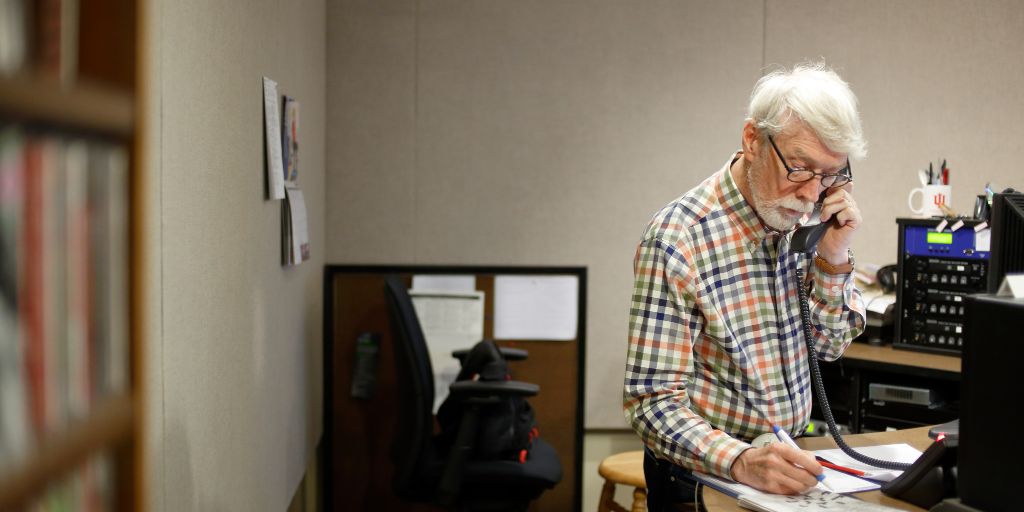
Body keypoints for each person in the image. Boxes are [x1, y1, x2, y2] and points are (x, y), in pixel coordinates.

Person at [622, 62, 867, 510]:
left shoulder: (807, 223)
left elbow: (828, 347)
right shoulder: (679, 239)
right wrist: (743, 460)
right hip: (703, 479)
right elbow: (651, 404)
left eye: (830, 174)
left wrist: (833, 258)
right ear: (753, 139)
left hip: (787, 464)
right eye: (800, 168)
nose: (813, 194)